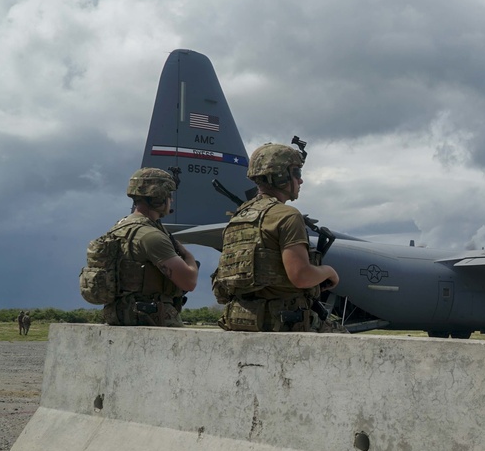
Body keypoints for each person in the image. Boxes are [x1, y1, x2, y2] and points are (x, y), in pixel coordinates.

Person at [213, 142, 340, 332]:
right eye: (297, 173)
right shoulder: (287, 215)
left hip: (241, 321)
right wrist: (329, 272)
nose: (301, 181)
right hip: (284, 321)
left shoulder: (237, 218)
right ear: (281, 176)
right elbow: (301, 276)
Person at [102, 168, 199, 326]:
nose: (171, 201)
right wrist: (188, 255)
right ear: (158, 198)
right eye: (169, 196)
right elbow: (188, 282)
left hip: (119, 314)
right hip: (149, 316)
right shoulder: (151, 236)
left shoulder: (119, 228)